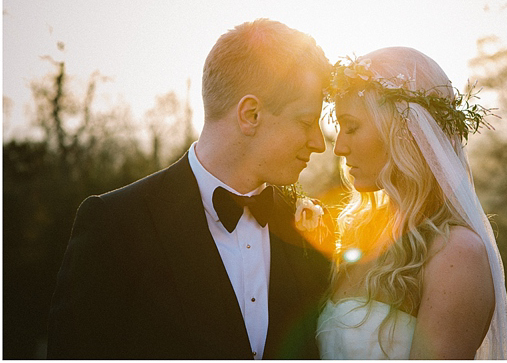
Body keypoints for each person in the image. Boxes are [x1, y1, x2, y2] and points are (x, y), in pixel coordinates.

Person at [47, 18, 332, 359]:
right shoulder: (114, 226)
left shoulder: (309, 229)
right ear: (251, 114)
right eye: (305, 122)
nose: (319, 143)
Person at [316, 47, 507, 359]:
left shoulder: (455, 253)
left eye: (352, 127)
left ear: (402, 131)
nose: (339, 147)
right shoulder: (358, 236)